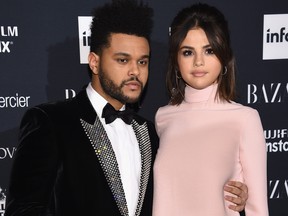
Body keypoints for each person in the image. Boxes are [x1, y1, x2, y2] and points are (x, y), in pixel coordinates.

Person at [5, 1, 248, 216]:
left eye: (142, 61)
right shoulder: (51, 122)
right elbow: (24, 210)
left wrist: (236, 197)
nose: (135, 71)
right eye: (122, 60)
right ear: (95, 62)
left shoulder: (151, 133)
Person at [153, 3, 269, 216]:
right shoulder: (163, 117)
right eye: (188, 52)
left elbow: (258, 209)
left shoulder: (244, 119)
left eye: (209, 50)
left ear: (224, 56)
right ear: (176, 61)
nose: (198, 62)